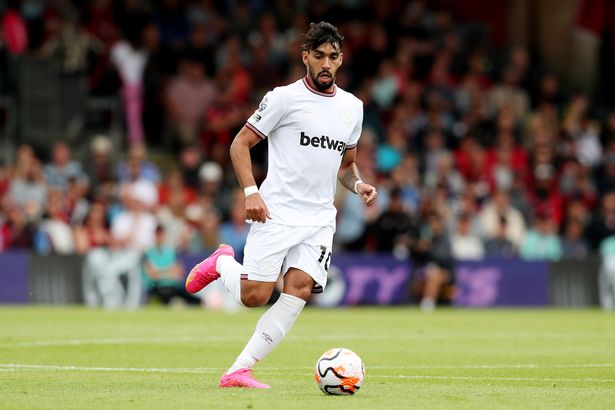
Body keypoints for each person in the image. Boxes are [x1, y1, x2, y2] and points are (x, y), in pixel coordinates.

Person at [184, 22, 377, 388]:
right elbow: (239, 145)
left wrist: (360, 184)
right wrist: (251, 193)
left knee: (300, 287)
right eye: (318, 56)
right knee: (254, 296)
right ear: (305, 57)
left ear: (341, 60)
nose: (326, 63)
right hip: (277, 211)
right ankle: (222, 261)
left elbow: (347, 166)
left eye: (332, 57)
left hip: (320, 218)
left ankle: (239, 370)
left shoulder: (353, 107)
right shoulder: (283, 98)